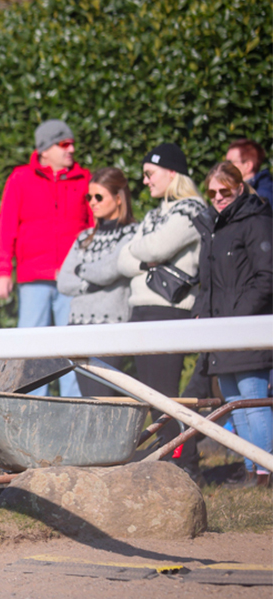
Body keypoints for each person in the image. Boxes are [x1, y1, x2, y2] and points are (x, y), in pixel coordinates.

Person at [117, 142, 208, 477]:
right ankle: (174, 458)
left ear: (172, 173)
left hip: (169, 311)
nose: (144, 181)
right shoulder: (157, 214)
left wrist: (143, 252)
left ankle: (184, 462)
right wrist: (148, 257)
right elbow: (123, 260)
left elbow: (152, 246)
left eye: (149, 174)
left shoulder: (192, 209)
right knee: (154, 396)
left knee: (166, 396)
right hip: (142, 309)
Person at [0, 119, 93, 397]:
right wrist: (3, 271)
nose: (71, 149)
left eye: (72, 143)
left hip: (73, 281)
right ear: (45, 149)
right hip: (33, 278)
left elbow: (93, 228)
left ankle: (75, 409)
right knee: (31, 349)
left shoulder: (85, 179)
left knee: (74, 348)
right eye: (64, 144)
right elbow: (6, 227)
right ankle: (33, 408)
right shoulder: (21, 179)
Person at [193, 161, 273, 487]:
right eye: (212, 192)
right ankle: (250, 470)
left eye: (224, 191)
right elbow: (206, 284)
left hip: (245, 329)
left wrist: (239, 319)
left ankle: (265, 472)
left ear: (239, 188)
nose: (218, 198)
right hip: (220, 331)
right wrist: (201, 314)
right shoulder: (213, 228)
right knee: (234, 407)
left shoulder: (257, 222)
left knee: (252, 402)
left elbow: (266, 277)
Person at [56, 167, 139, 397]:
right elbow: (63, 281)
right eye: (89, 197)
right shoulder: (83, 237)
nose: (92, 202)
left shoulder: (133, 234)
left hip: (111, 327)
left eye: (99, 197)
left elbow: (110, 270)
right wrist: (89, 284)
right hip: (77, 327)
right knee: (91, 400)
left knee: (106, 400)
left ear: (119, 198)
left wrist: (81, 269)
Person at [226, 139, 273, 207]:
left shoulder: (262, 195)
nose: (225, 167)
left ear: (248, 166)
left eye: (230, 163)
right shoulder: (242, 191)